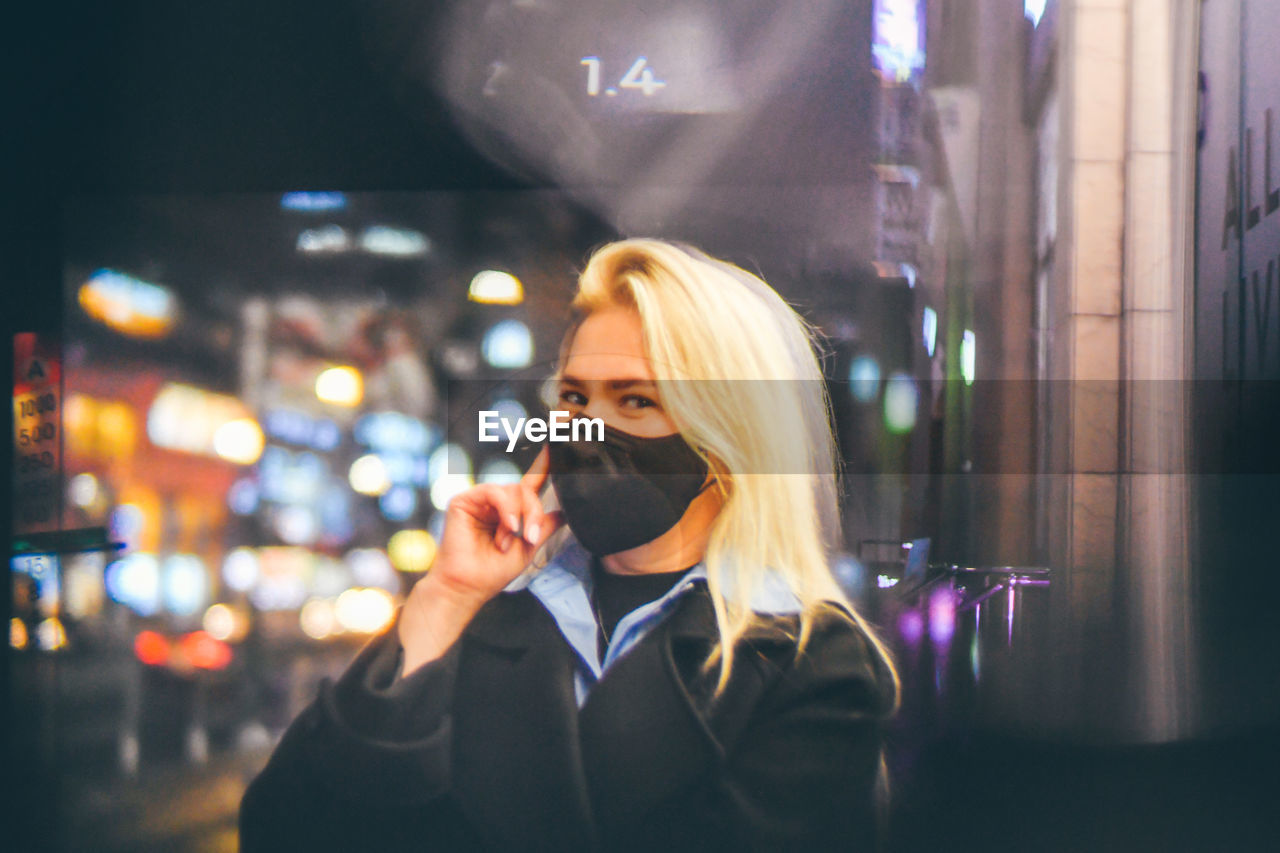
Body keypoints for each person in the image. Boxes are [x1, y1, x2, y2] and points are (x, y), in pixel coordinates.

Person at [239, 238, 899, 852]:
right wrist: (445, 598)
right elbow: (285, 826)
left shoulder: (810, 660)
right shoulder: (488, 616)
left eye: (635, 400)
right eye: (576, 397)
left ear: (725, 437)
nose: (588, 429)